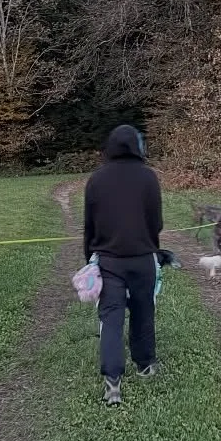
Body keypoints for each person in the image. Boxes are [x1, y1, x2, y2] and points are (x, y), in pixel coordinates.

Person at [84, 124, 163, 404]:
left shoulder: (96, 180)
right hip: (142, 259)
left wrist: (89, 259)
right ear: (136, 147)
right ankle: (145, 364)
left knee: (111, 317)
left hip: (109, 261)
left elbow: (89, 227)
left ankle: (112, 382)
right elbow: (157, 222)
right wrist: (149, 244)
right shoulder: (149, 178)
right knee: (143, 312)